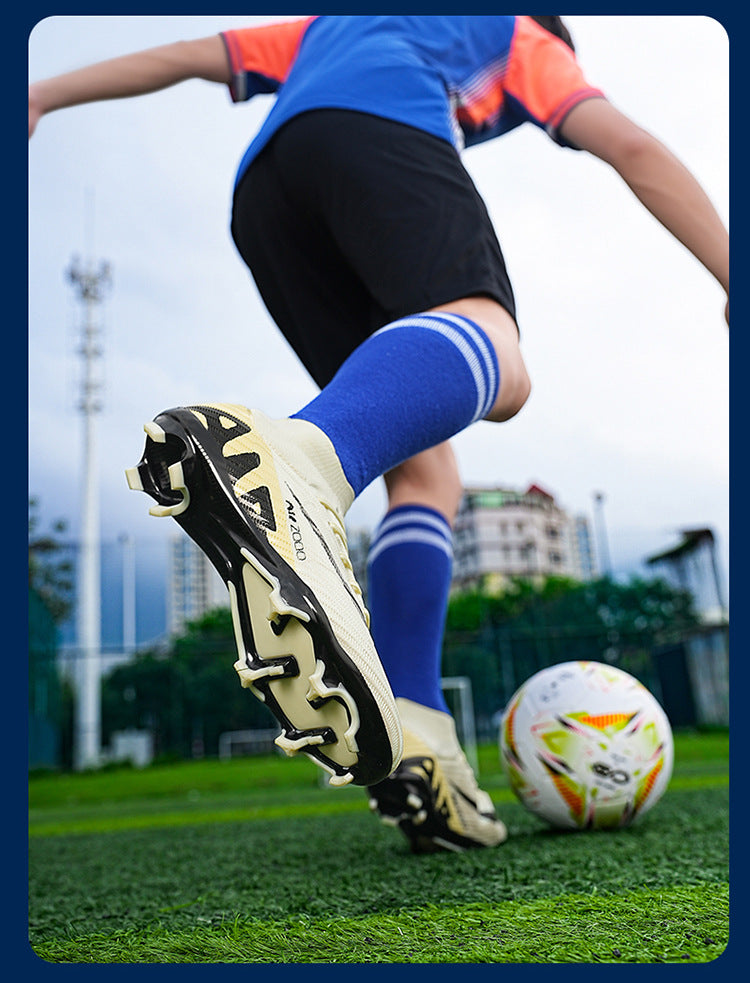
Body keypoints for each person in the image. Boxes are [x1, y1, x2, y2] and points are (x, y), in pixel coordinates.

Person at [29, 15, 729, 854]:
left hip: (265, 195)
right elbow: (632, 147)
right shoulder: (515, 33)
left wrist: (39, 94)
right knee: (497, 354)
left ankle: (419, 730)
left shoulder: (335, 22)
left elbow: (187, 58)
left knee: (426, 472)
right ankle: (297, 465)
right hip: (378, 137)